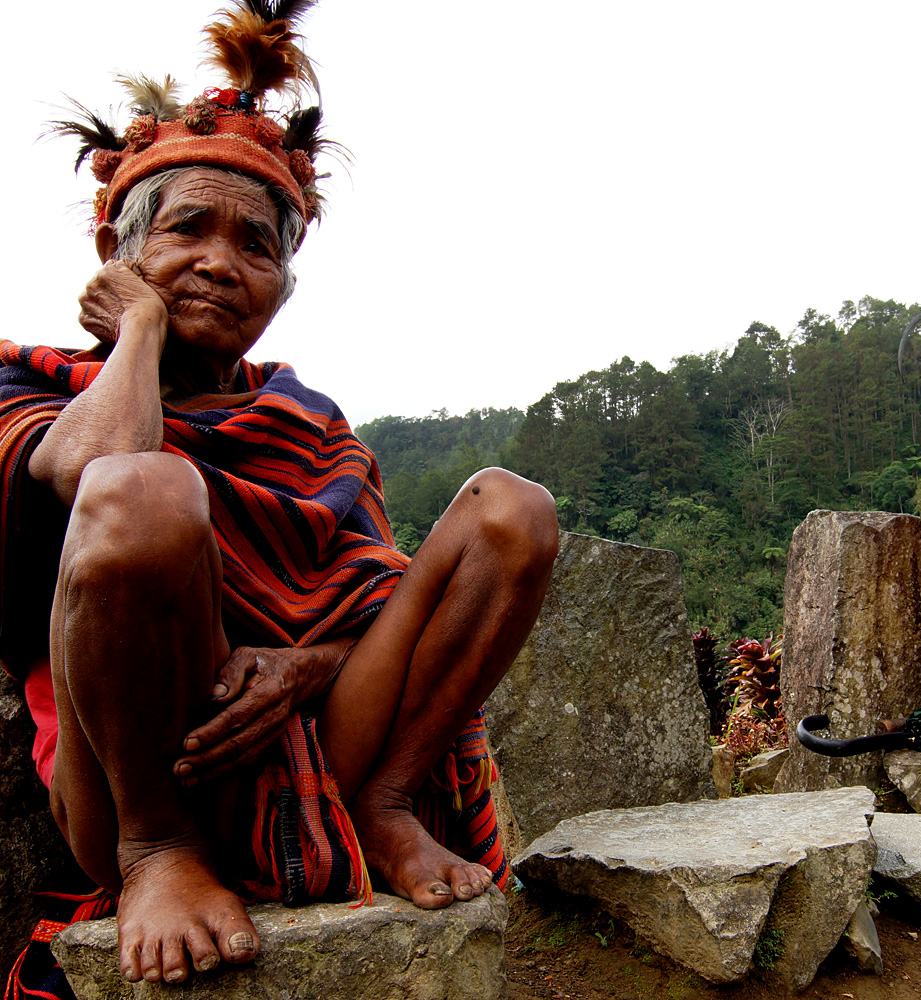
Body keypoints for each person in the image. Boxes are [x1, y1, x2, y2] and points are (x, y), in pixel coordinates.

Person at [0, 2, 558, 992]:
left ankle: (385, 807)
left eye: (256, 244)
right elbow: (102, 475)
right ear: (120, 254)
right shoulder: (33, 390)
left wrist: (299, 667)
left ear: (284, 285)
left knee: (511, 509)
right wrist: (136, 333)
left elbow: (381, 606)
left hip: (323, 745)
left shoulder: (307, 423)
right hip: (139, 778)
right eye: (185, 230)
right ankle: (159, 860)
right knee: (143, 487)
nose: (220, 260)